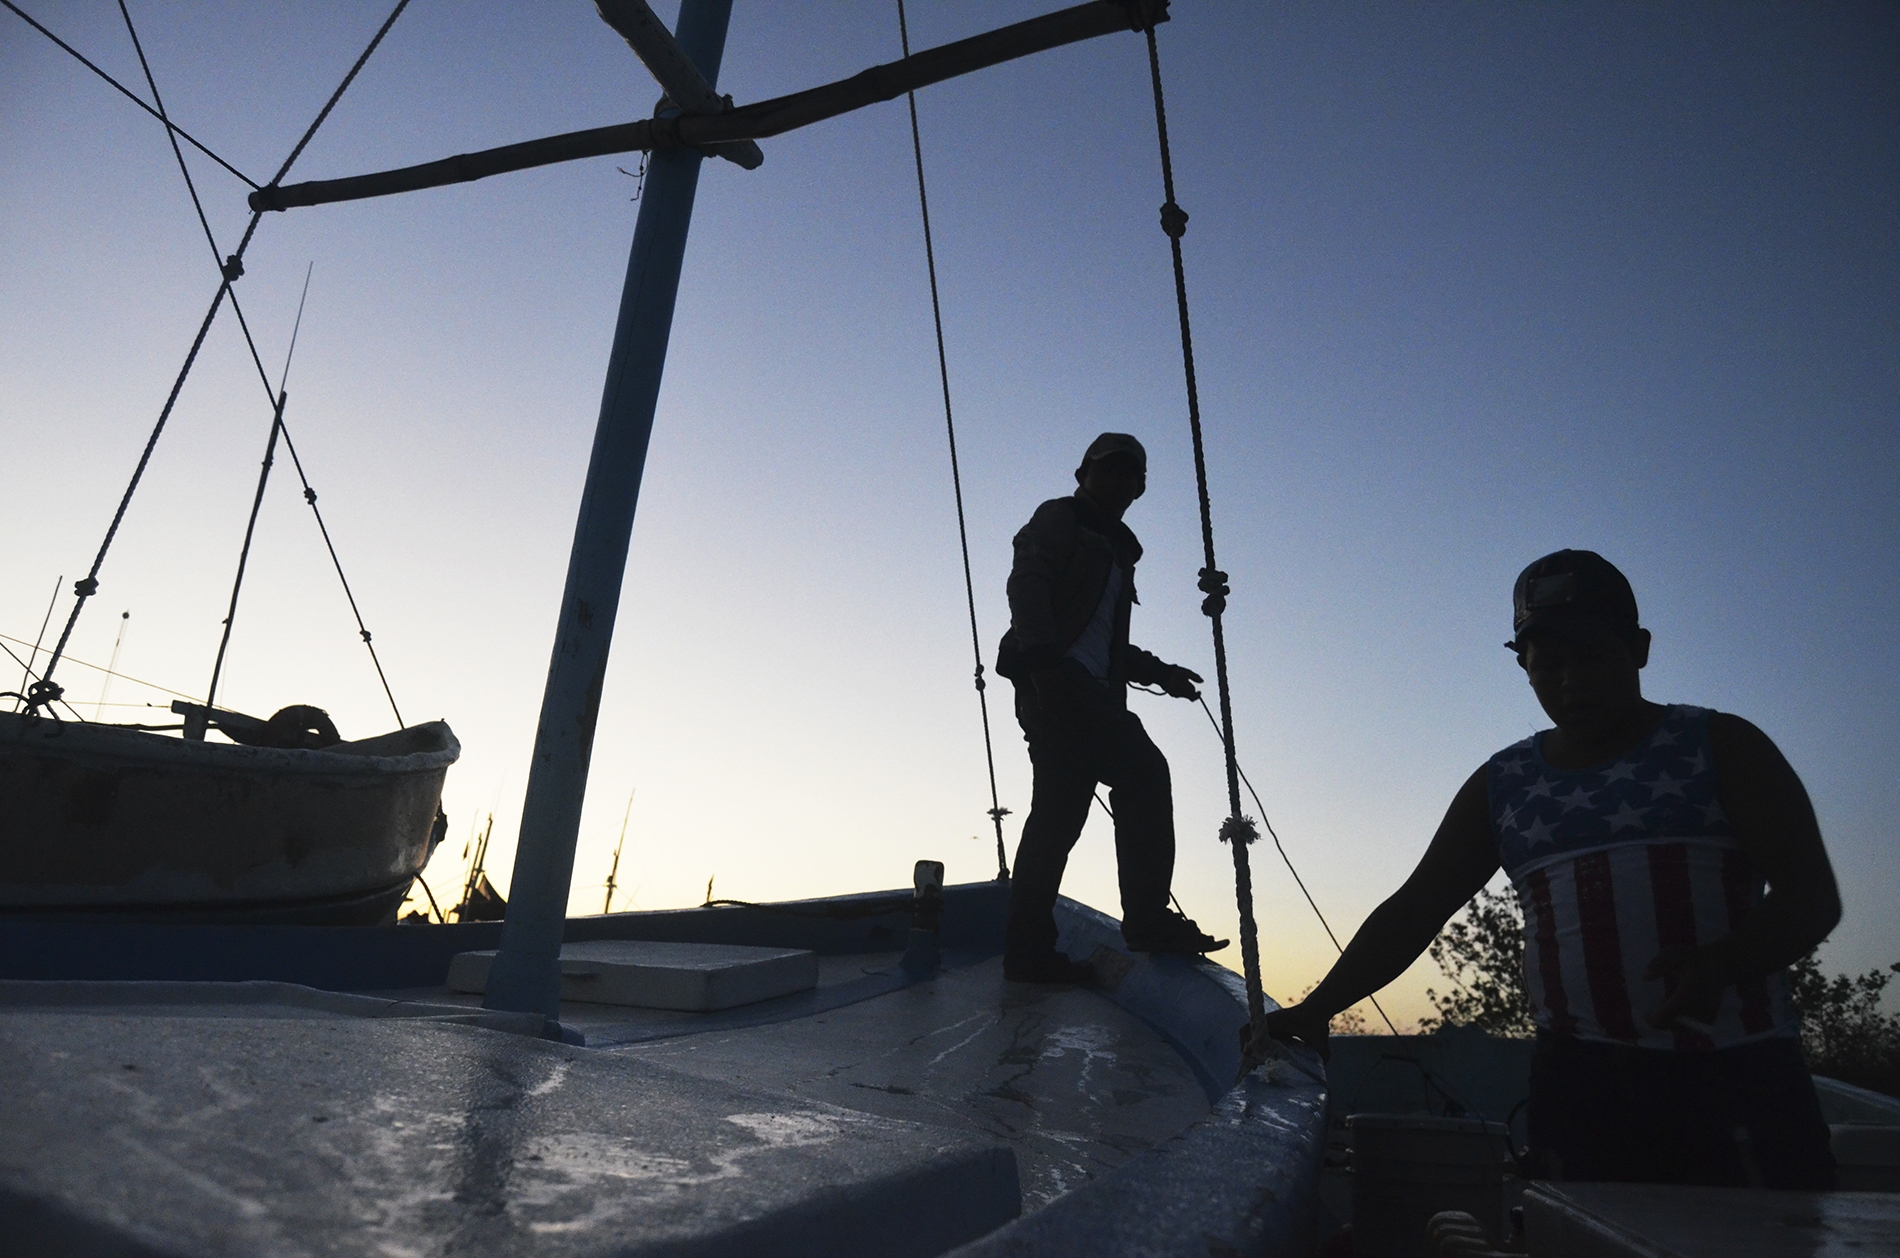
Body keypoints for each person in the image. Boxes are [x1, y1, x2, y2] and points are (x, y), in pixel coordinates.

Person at [1265, 549, 1841, 1188]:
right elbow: (1415, 909)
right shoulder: (1505, 782)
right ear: (1524, 667)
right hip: (1580, 1084)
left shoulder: (1723, 746)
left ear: (1640, 648)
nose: (1570, 681)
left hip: (1744, 1077)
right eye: (1548, 665)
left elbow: (1811, 898)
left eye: (1593, 657)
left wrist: (1718, 966)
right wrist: (1316, 1008)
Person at [995, 432, 1229, 984]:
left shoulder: (1120, 552)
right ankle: (1143, 922)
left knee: (1059, 817)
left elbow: (1104, 643)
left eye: (1130, 474)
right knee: (1141, 774)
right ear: (1085, 473)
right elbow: (1026, 585)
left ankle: (1029, 953)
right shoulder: (1059, 519)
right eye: (1109, 469)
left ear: (1140, 487)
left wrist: (1161, 673)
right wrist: (1046, 669)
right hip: (1059, 685)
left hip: (1089, 690)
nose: (1119, 480)